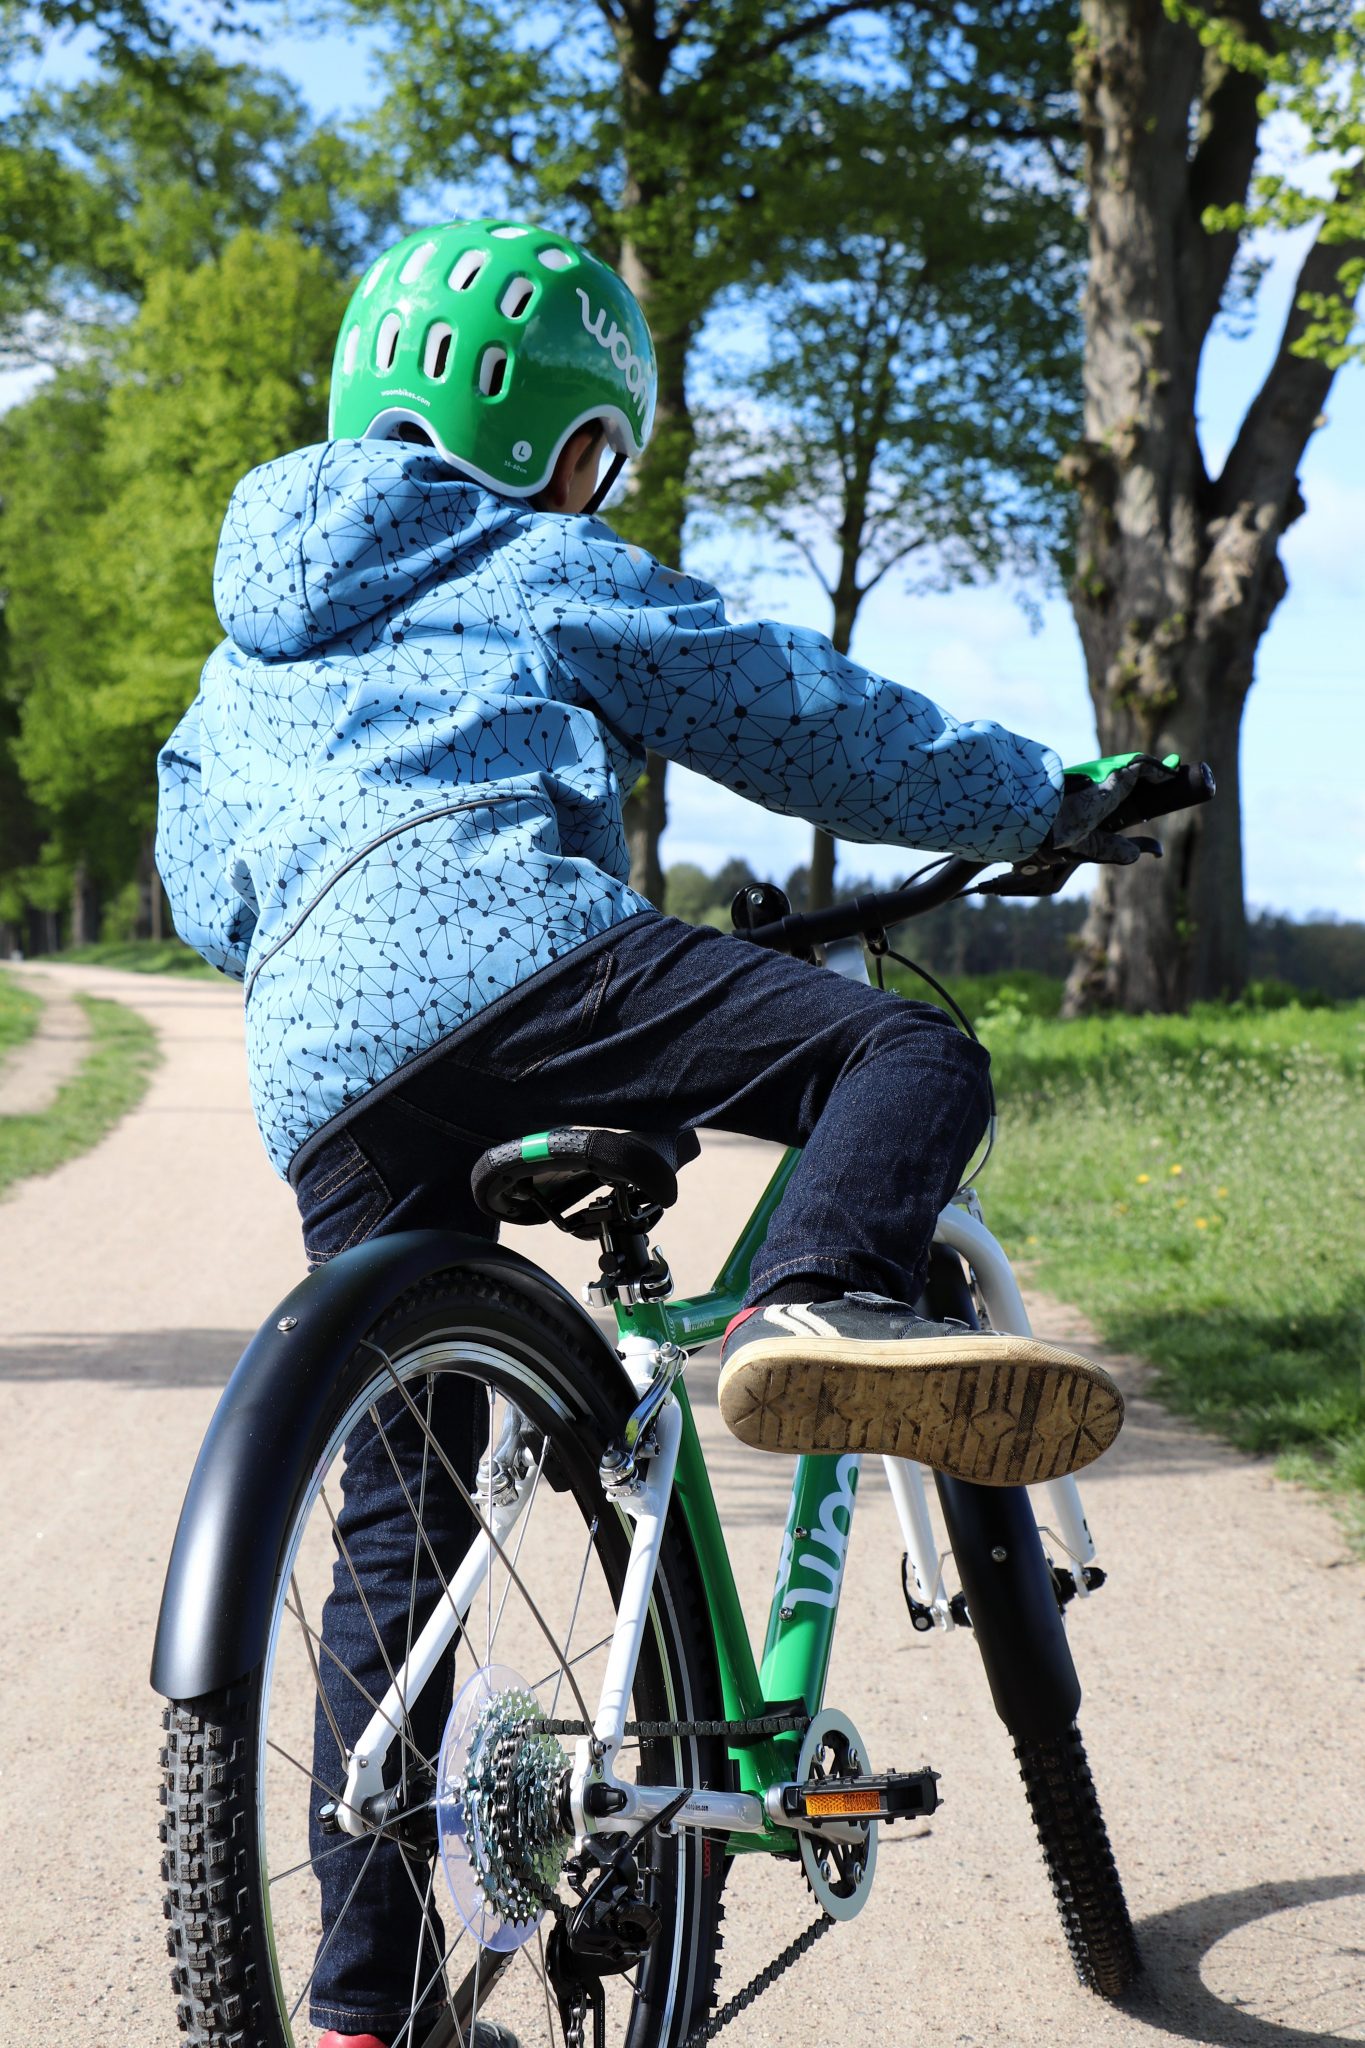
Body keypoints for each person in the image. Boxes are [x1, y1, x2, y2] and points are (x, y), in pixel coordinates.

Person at [156, 218, 1139, 2048]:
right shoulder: (521, 550)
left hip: (322, 1060)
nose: (601, 487)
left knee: (402, 1526)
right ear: (539, 429)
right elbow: (786, 706)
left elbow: (204, 887)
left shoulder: (237, 655)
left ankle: (362, 2009)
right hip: (513, 956)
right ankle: (810, 1318)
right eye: (600, 450)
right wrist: (1035, 791)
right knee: (907, 1065)